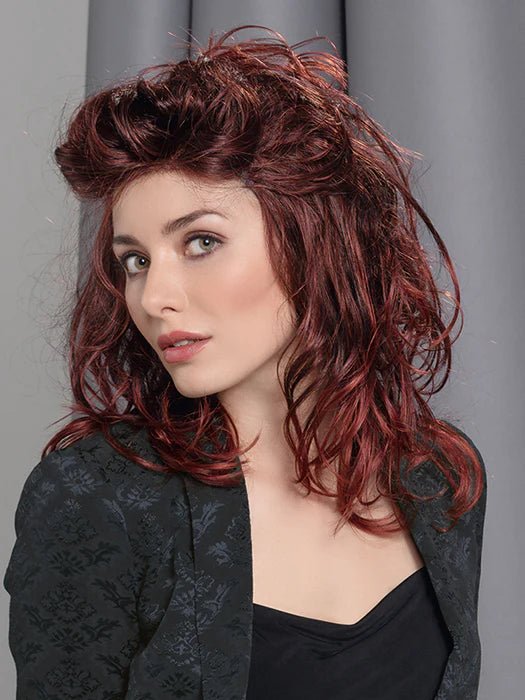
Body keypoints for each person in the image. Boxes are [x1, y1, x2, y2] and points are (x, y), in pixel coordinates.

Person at [3, 24, 487, 700]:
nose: (154, 296)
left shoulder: (437, 476)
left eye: (200, 242)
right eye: (134, 260)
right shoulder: (98, 498)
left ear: (313, 240)